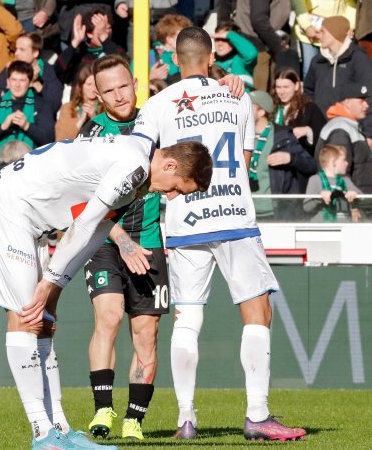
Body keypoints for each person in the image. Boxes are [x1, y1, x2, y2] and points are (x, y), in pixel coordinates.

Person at [0, 130, 212, 449]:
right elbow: (85, 223)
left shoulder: (138, 165)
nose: (171, 196)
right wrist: (49, 281)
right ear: (170, 165)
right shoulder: (136, 166)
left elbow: (99, 228)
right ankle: (43, 434)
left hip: (29, 217)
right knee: (25, 317)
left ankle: (59, 428)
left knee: (42, 321)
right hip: (9, 206)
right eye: (179, 189)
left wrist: (55, 285)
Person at [133, 26, 306, 441]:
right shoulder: (235, 94)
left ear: (176, 60)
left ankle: (186, 419)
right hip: (233, 216)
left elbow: (137, 158)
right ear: (211, 58)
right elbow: (244, 163)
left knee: (188, 318)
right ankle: (258, 415)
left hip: (183, 219)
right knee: (257, 313)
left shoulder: (157, 103)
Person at [78, 54, 166, 442]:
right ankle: (102, 410)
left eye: (122, 86)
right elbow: (80, 200)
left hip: (149, 241)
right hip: (104, 238)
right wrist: (121, 238)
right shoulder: (91, 133)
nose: (118, 95)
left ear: (135, 83)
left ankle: (134, 420)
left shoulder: (156, 125)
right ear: (97, 94)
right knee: (109, 317)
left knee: (145, 334)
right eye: (108, 90)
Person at [303, 16, 372, 141]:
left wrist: (367, 134)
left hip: (349, 132)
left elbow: (367, 97)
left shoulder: (358, 59)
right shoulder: (317, 61)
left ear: (334, 33)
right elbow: (308, 92)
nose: (318, 35)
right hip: (320, 131)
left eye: (323, 32)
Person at [248, 89, 317, 221]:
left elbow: (312, 166)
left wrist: (291, 158)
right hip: (249, 213)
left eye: (249, 107)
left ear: (262, 112)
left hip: (276, 213)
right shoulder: (241, 136)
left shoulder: (283, 136)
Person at [0, 60, 54, 170]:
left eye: (22, 80)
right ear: (8, 81)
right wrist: (2, 126)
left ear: (30, 82)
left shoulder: (41, 104)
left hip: (31, 168)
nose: (17, 84)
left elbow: (49, 139)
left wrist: (27, 126)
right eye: (14, 79)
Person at [316, 83, 372, 197]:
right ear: (347, 103)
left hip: (359, 202)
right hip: (351, 206)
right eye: (361, 101)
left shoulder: (348, 127)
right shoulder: (340, 130)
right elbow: (337, 174)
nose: (366, 105)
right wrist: (350, 207)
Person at [289, 0, 357, 78]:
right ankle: (310, 93)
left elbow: (350, 2)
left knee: (336, 72)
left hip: (335, 32)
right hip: (310, 33)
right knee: (310, 71)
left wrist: (349, 26)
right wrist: (307, 26)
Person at [0, 32, 63, 115]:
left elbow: (53, 105)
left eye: (22, 50)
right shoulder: (9, 69)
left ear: (35, 53)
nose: (16, 53)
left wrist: (36, 84)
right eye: (16, 49)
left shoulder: (47, 71)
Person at [54, 7, 126, 86]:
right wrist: (75, 42)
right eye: (101, 28)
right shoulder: (82, 55)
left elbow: (124, 65)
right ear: (89, 34)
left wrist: (104, 37)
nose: (107, 32)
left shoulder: (115, 49)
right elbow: (58, 71)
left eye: (108, 28)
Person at [272, 67, 326, 165]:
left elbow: (323, 137)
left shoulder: (309, 108)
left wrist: (308, 131)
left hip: (301, 165)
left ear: (296, 86)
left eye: (286, 87)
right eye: (278, 87)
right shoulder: (273, 108)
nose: (282, 92)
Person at [303, 145, 359, 222]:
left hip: (344, 228)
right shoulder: (315, 180)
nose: (347, 163)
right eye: (344, 160)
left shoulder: (346, 181)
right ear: (334, 163)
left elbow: (364, 199)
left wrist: (355, 194)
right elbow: (307, 207)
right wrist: (319, 197)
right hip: (322, 229)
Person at [54, 63, 99, 140]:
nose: (93, 89)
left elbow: (110, 137)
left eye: (96, 84)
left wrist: (94, 118)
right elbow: (60, 139)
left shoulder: (107, 107)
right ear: (81, 86)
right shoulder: (67, 108)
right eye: (89, 84)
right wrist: (80, 121)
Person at [212, 22, 259, 91]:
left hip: (243, 100)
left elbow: (252, 53)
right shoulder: (212, 62)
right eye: (217, 39)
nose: (220, 44)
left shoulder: (241, 59)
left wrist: (230, 35)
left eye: (225, 39)